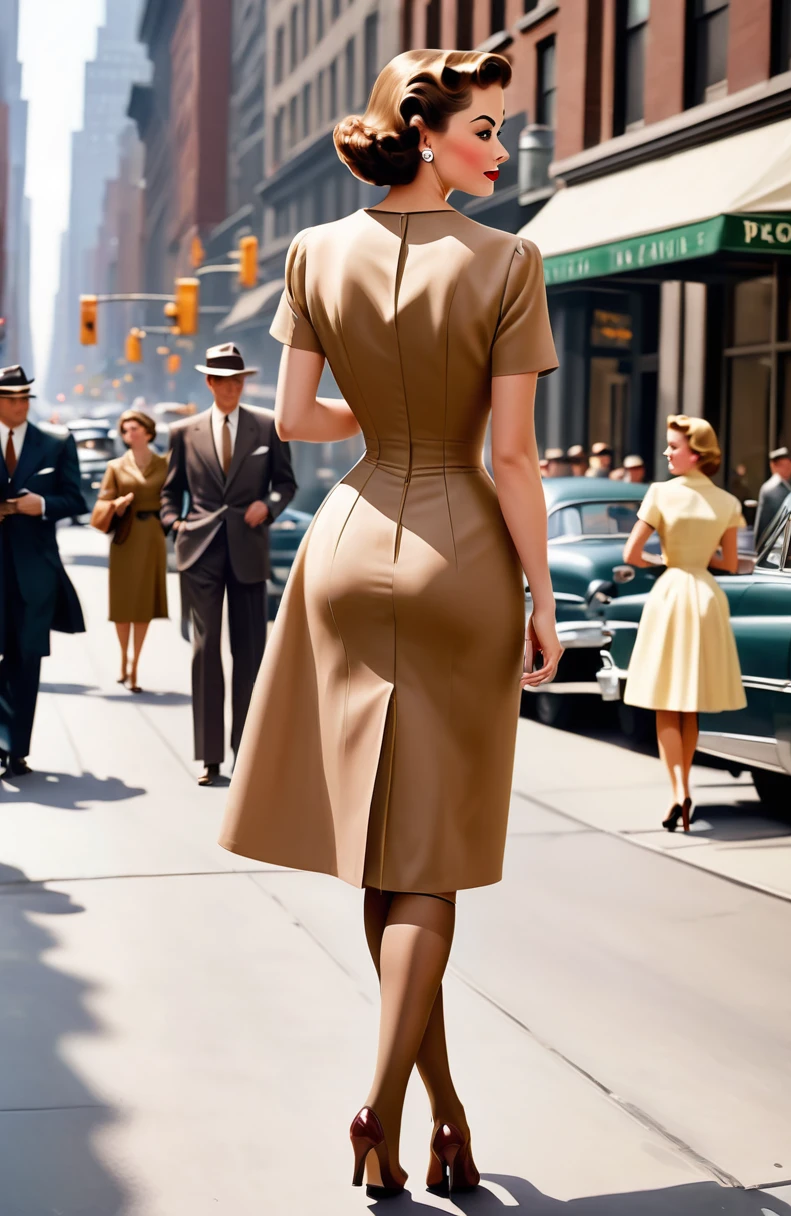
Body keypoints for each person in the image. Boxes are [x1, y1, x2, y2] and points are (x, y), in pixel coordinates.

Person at [218, 49, 562, 1200]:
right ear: (425, 132)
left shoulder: (314, 253)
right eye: (485, 128)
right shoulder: (508, 259)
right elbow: (511, 455)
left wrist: (386, 399)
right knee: (432, 860)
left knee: (385, 846)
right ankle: (381, 1103)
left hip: (351, 537)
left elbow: (297, 415)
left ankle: (441, 1114)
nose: (501, 149)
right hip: (458, 543)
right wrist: (544, 596)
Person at [160, 343, 297, 786]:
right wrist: (175, 524)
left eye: (239, 380)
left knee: (250, 656)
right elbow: (169, 491)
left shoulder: (266, 426)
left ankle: (247, 754)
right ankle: (210, 758)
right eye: (224, 380)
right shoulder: (183, 431)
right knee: (205, 654)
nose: (233, 388)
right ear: (210, 383)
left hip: (249, 553)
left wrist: (269, 506)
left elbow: (286, 484)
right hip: (199, 553)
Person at [622, 415, 745, 831]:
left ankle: (677, 792)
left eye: (673, 446)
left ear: (696, 453)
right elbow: (728, 562)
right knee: (688, 701)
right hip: (707, 596)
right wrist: (699, 555)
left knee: (665, 700)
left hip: (672, 593)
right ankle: (685, 786)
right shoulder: (727, 501)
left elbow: (631, 554)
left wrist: (666, 559)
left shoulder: (661, 493)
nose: (667, 453)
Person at [0, 364, 86, 775]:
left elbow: (76, 499)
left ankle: (16, 750)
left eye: (24, 399)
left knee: (25, 660)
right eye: (10, 399)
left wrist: (45, 506)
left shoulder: (55, 443)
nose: (19, 407)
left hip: (35, 576)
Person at [90, 409, 169, 692]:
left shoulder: (164, 464)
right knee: (124, 602)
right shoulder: (116, 466)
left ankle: (136, 663)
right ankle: (123, 658)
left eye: (134, 428)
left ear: (148, 431)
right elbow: (102, 501)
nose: (129, 434)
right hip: (126, 536)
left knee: (144, 603)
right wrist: (116, 504)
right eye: (125, 430)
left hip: (152, 537)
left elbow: (172, 497)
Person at [753, 446, 791, 550]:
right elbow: (764, 524)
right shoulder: (773, 488)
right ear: (773, 465)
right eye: (784, 465)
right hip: (775, 547)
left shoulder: (788, 485)